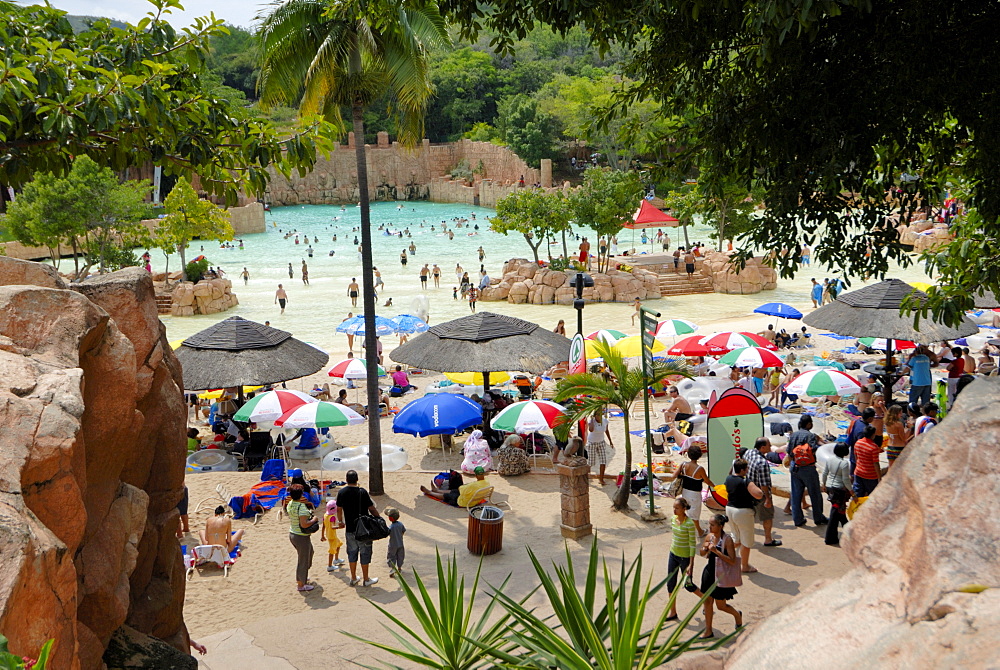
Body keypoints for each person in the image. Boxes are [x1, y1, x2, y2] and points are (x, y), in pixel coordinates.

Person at [695, 514, 743, 639]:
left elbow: (732, 561)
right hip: (709, 572)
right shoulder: (709, 537)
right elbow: (701, 553)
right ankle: (708, 630)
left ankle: (737, 615)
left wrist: (716, 551)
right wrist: (705, 549)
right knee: (707, 601)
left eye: (712, 525)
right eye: (709, 524)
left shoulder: (727, 540)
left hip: (721, 575)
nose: (709, 527)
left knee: (721, 606)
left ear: (720, 526)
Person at [336, 470, 382, 587]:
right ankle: (366, 579)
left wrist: (340, 521)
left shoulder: (341, 492)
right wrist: (379, 518)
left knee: (352, 553)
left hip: (350, 529)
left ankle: (353, 577)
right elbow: (371, 508)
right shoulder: (362, 492)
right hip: (363, 529)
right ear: (357, 480)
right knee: (365, 553)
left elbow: (339, 509)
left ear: (346, 480)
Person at [784, 416, 828, 527]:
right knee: (815, 494)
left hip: (795, 467)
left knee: (796, 494)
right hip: (808, 468)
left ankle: (798, 519)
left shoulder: (793, 435)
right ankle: (818, 517)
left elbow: (789, 452)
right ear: (808, 424)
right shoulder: (811, 436)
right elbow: (813, 450)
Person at [724, 459, 764, 574]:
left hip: (730, 509)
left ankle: (725, 557)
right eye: (746, 469)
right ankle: (745, 565)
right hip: (742, 512)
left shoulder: (729, 479)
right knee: (746, 542)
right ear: (742, 470)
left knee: (736, 538)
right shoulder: (745, 481)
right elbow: (758, 494)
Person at [745, 437, 781, 548]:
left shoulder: (748, 453)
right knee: (767, 517)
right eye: (769, 445)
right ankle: (768, 539)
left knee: (749, 516)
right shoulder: (762, 463)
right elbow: (764, 484)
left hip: (748, 490)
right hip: (760, 494)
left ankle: (747, 539)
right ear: (763, 447)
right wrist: (768, 499)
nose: (770, 447)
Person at [666, 497, 696, 621]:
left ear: (684, 509)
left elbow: (692, 544)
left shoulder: (689, 524)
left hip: (685, 558)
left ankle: (707, 600)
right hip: (673, 554)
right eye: (674, 507)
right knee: (670, 584)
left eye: (677, 508)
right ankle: (673, 612)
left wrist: (691, 564)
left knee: (688, 585)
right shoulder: (673, 519)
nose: (674, 510)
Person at [287, 484, 318, 592]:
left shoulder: (290, 504)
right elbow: (304, 524)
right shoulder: (302, 508)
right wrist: (314, 519)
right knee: (303, 560)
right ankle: (301, 584)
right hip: (301, 536)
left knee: (309, 554)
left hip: (293, 534)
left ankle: (302, 576)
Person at [821, 442, 853, 546]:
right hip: (839, 490)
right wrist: (851, 491)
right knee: (836, 513)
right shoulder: (844, 463)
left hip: (830, 488)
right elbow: (845, 479)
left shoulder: (830, 459)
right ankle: (830, 538)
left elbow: (825, 473)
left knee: (839, 511)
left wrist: (824, 484)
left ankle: (850, 532)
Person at [852, 424, 882, 498]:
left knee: (858, 494)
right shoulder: (874, 447)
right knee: (872, 495)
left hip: (858, 472)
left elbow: (856, 457)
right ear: (872, 435)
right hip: (870, 475)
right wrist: (879, 477)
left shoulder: (858, 442)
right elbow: (876, 463)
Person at [587, 412, 614, 485]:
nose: (599, 417)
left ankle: (601, 479)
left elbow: (606, 430)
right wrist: (592, 420)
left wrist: (610, 441)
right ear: (594, 415)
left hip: (601, 442)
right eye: (597, 415)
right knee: (591, 462)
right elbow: (591, 430)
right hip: (592, 442)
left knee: (603, 460)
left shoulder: (605, 420)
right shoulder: (592, 421)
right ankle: (586, 476)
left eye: (600, 415)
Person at [320, 499, 345, 572]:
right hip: (332, 536)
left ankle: (336, 559)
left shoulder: (325, 515)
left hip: (329, 535)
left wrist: (322, 535)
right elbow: (332, 526)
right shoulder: (332, 517)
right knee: (332, 550)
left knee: (338, 544)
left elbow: (324, 526)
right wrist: (339, 527)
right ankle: (330, 566)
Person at [384, 507, 406, 576]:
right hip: (400, 544)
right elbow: (403, 531)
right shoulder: (400, 524)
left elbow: (387, 533)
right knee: (400, 556)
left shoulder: (391, 527)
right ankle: (399, 568)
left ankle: (393, 568)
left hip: (392, 545)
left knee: (391, 556)